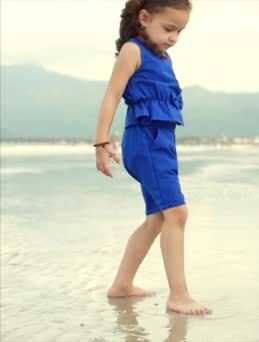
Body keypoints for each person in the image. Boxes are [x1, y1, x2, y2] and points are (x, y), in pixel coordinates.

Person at [94, 0, 210, 315]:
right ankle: (179, 295)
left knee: (158, 218)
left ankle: (122, 285)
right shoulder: (133, 51)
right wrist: (102, 142)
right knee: (177, 213)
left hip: (162, 143)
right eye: (168, 28)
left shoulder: (164, 57)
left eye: (180, 31)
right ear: (144, 18)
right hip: (144, 140)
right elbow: (111, 96)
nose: (174, 37)